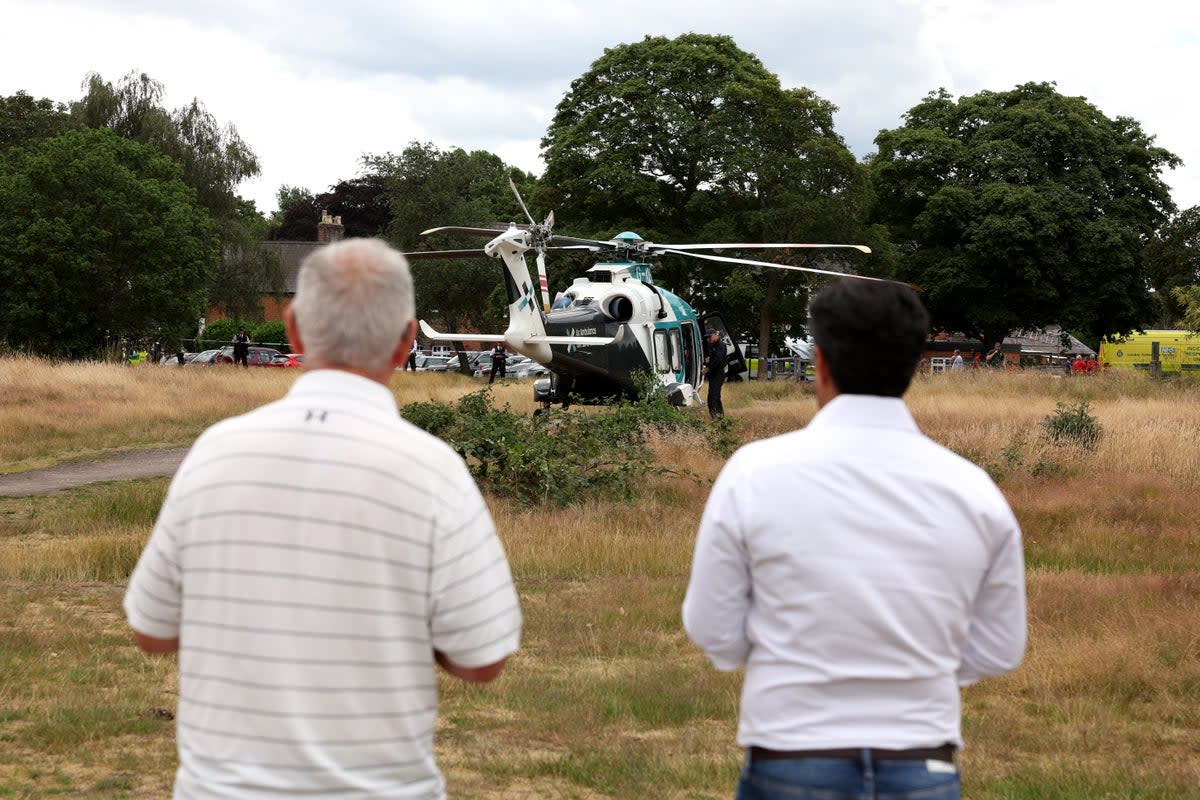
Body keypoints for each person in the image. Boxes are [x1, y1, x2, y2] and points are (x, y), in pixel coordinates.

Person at [124, 238, 522, 799]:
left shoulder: (215, 452)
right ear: (408, 340)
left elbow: (151, 630)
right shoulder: (435, 472)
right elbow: (482, 661)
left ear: (292, 327)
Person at [683, 279, 1026, 800]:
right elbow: (1000, 648)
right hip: (921, 761)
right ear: (916, 364)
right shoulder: (973, 490)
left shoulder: (754, 473)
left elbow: (713, 628)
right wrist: (912, 669)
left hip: (790, 756)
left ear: (819, 362)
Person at [702, 328, 727, 418]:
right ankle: (715, 417)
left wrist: (708, 369)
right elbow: (713, 357)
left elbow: (718, 360)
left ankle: (719, 417)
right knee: (710, 398)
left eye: (710, 337)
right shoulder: (712, 345)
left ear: (715, 334)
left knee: (714, 397)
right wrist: (708, 359)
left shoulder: (721, 345)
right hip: (713, 374)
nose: (708, 339)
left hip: (718, 374)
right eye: (707, 338)